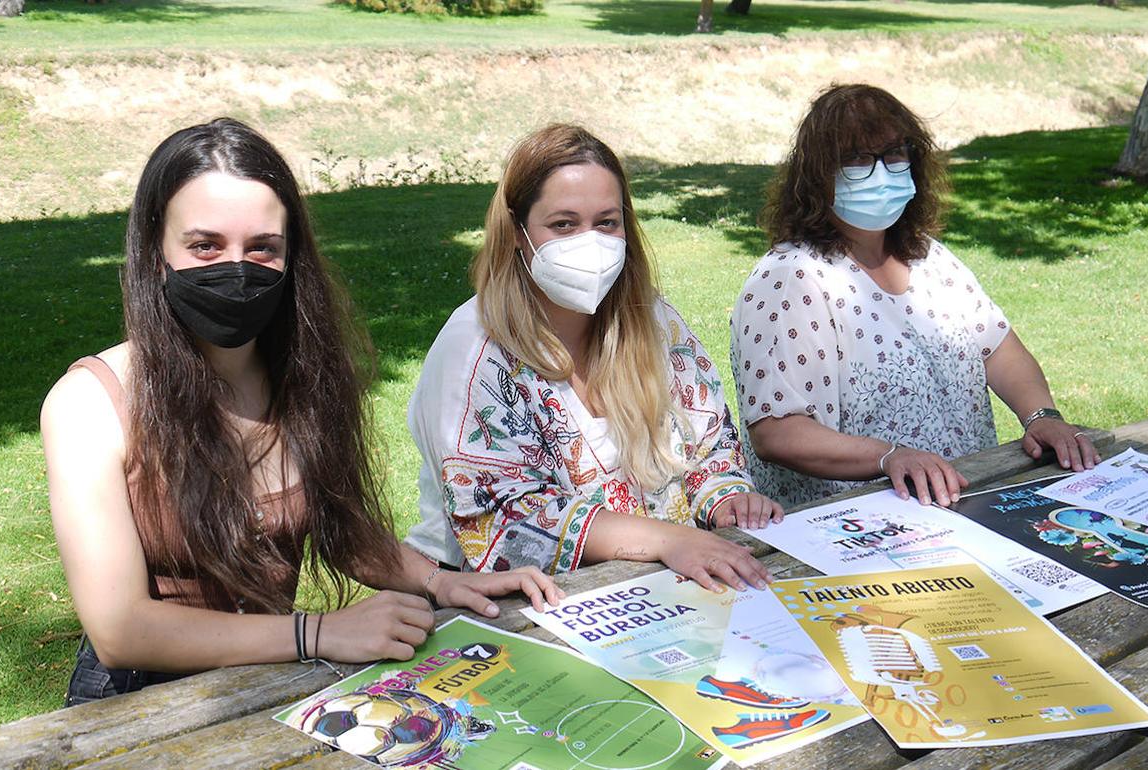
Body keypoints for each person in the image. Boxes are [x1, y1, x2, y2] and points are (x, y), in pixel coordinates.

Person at [41, 118, 560, 705]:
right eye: (204, 245)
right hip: (136, 704)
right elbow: (121, 631)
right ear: (155, 249)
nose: (236, 269)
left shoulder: (301, 376)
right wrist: (319, 631)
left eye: (262, 248)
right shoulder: (89, 403)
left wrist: (444, 581)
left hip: (266, 683)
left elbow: (343, 532)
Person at [406, 124, 782, 592]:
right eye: (563, 225)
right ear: (518, 233)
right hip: (508, 603)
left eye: (606, 222)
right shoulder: (475, 349)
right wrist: (666, 540)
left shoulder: (651, 320)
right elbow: (506, 521)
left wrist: (725, 499)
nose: (591, 243)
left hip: (657, 588)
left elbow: (709, 444)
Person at [731, 84, 1099, 510]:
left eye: (894, 154)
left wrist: (1042, 417)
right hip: (857, 524)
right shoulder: (790, 280)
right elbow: (777, 433)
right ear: (817, 176)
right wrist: (888, 457)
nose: (880, 173)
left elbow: (998, 349)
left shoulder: (929, 257)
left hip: (964, 499)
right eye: (855, 160)